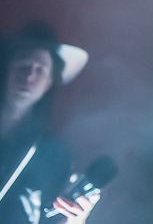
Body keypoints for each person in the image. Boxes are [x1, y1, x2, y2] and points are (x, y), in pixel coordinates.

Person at [0, 22, 98, 223]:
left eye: (40, 70)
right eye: (23, 66)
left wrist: (77, 218)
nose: (29, 76)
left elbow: (54, 218)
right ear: (6, 71)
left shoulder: (55, 155)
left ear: (49, 83)